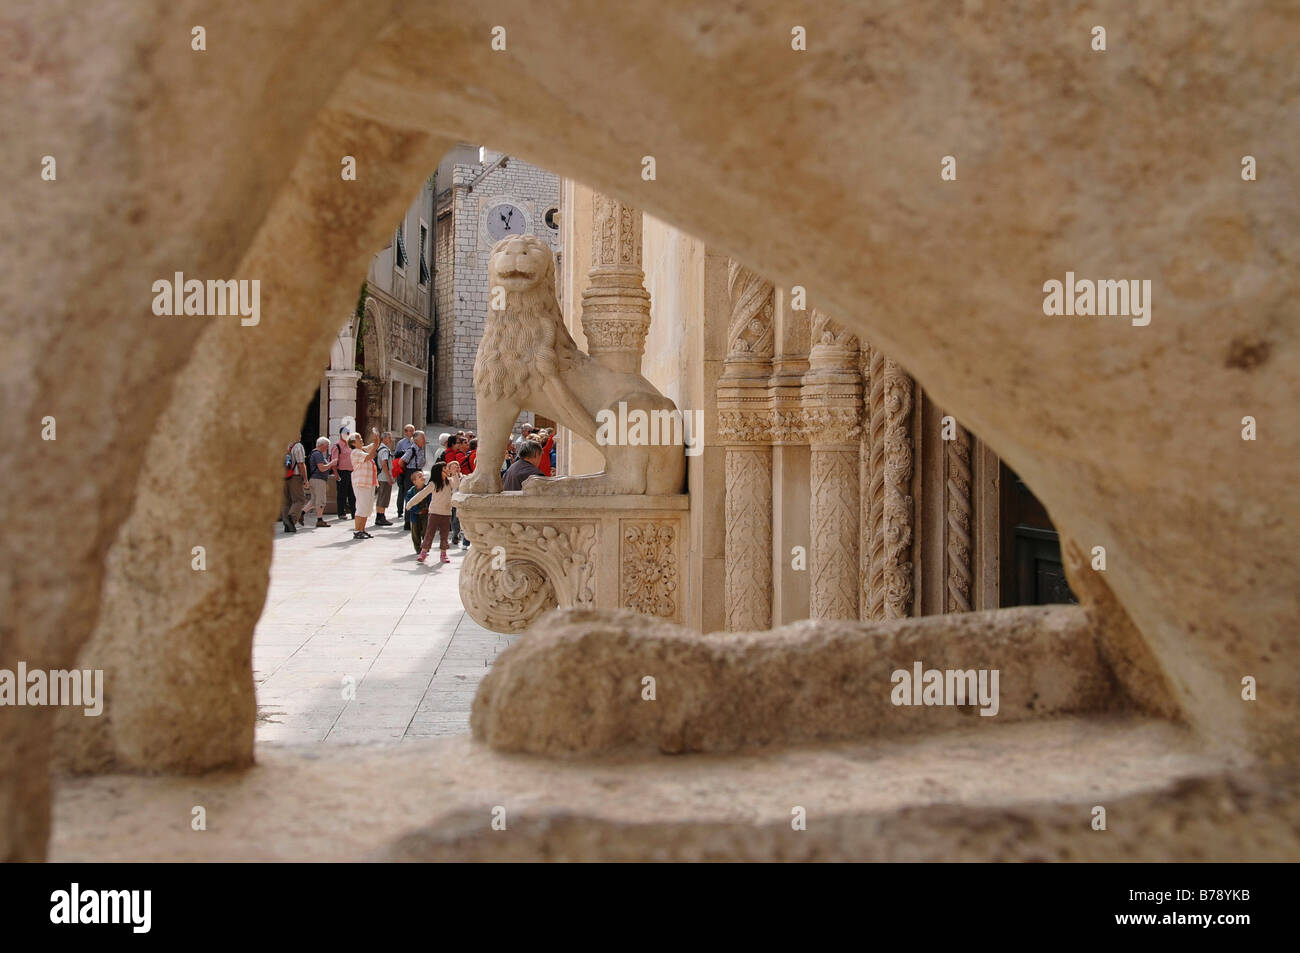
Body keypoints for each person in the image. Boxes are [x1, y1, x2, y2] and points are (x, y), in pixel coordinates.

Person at [408, 460, 462, 563]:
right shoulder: (433, 484)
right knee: (430, 533)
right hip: (434, 512)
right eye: (445, 468)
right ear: (439, 471)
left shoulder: (449, 481)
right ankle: (423, 552)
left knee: (444, 535)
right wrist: (410, 503)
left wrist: (455, 473)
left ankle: (443, 554)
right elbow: (422, 494)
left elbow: (456, 485)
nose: (447, 470)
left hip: (446, 513)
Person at [348, 428, 380, 540]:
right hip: (361, 483)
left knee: (367, 507)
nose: (361, 440)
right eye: (359, 439)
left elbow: (374, 446)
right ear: (353, 443)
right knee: (361, 506)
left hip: (368, 482)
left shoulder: (362, 450)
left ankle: (362, 529)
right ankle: (357, 531)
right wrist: (375, 444)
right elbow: (370, 455)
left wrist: (376, 438)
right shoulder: (355, 452)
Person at [398, 431, 427, 529]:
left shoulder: (420, 449)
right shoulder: (412, 449)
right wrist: (408, 472)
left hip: (417, 472)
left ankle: (416, 520)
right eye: (423, 438)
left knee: (418, 496)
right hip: (411, 474)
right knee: (410, 497)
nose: (425, 440)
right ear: (417, 440)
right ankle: (408, 521)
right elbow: (401, 462)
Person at [280, 437, 307, 533]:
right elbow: (300, 464)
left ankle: (286, 524)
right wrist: (305, 479)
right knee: (299, 499)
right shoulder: (298, 446)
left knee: (286, 501)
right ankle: (291, 518)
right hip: (294, 476)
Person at [306, 436, 334, 527]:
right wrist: (331, 464)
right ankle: (319, 520)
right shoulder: (318, 454)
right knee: (321, 500)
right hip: (319, 480)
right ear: (322, 445)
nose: (327, 448)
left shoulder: (314, 453)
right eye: (327, 446)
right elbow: (321, 468)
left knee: (313, 501)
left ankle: (301, 514)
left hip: (314, 479)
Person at [330, 427, 355, 521]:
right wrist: (336, 474)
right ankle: (341, 513)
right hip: (342, 472)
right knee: (342, 493)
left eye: (349, 433)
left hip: (351, 472)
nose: (347, 435)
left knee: (352, 493)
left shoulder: (351, 445)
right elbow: (334, 461)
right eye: (346, 433)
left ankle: (354, 512)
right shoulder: (337, 446)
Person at [394, 424, 416, 523]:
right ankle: (400, 510)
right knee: (402, 489)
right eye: (409, 430)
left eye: (412, 430)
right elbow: (396, 456)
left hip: (413, 469)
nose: (411, 433)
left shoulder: (416, 442)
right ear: (405, 432)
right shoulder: (401, 443)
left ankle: (411, 509)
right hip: (403, 469)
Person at [405, 470, 429, 553]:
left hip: (426, 514)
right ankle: (418, 548)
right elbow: (409, 503)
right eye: (420, 476)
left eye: (423, 476)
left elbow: (431, 500)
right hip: (415, 515)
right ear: (414, 481)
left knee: (426, 531)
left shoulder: (428, 489)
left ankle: (426, 547)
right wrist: (416, 510)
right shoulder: (411, 491)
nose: (422, 477)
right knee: (415, 532)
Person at [374, 431, 394, 526]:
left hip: (380, 476)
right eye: (389, 438)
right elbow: (384, 464)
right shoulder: (385, 450)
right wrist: (389, 477)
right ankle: (381, 517)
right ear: (384, 438)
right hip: (384, 477)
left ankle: (379, 516)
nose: (390, 440)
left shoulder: (379, 448)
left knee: (380, 497)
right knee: (384, 497)